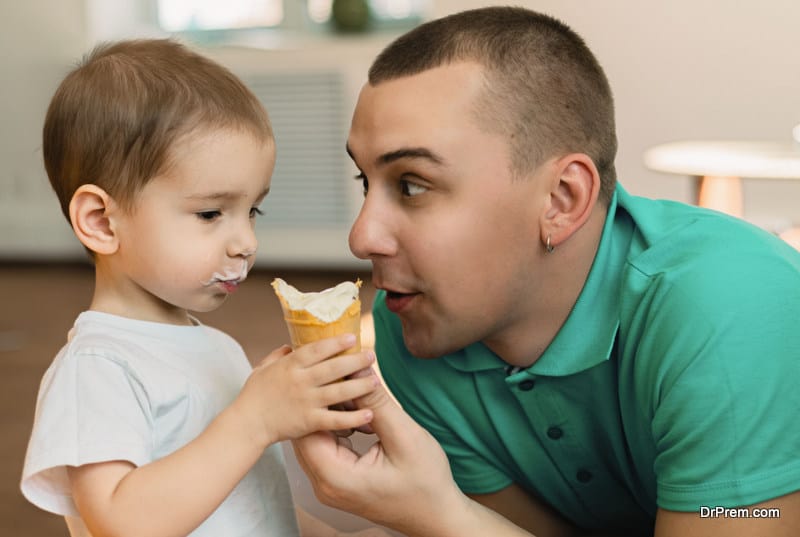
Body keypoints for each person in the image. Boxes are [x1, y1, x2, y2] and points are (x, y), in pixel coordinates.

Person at [293, 6, 800, 537]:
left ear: (561, 199)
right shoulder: (411, 328)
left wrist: (436, 513)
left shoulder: (727, 309)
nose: (361, 237)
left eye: (412, 184)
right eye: (365, 181)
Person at [20, 39, 389, 537]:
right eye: (211, 213)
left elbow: (252, 502)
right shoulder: (98, 367)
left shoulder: (218, 349)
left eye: (252, 211)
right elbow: (123, 522)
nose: (246, 242)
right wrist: (255, 419)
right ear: (102, 221)